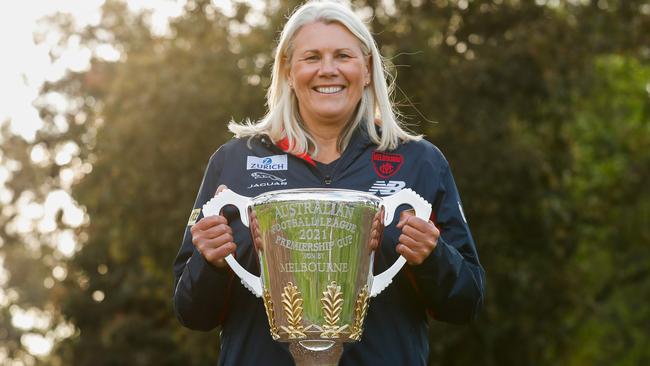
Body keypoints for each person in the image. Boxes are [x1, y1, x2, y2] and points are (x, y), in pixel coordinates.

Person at [173, 1, 485, 365]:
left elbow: (467, 303)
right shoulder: (234, 162)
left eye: (342, 56)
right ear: (288, 71)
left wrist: (433, 258)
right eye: (311, 58)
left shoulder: (421, 162)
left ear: (367, 70)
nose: (328, 70)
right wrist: (210, 262)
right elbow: (190, 313)